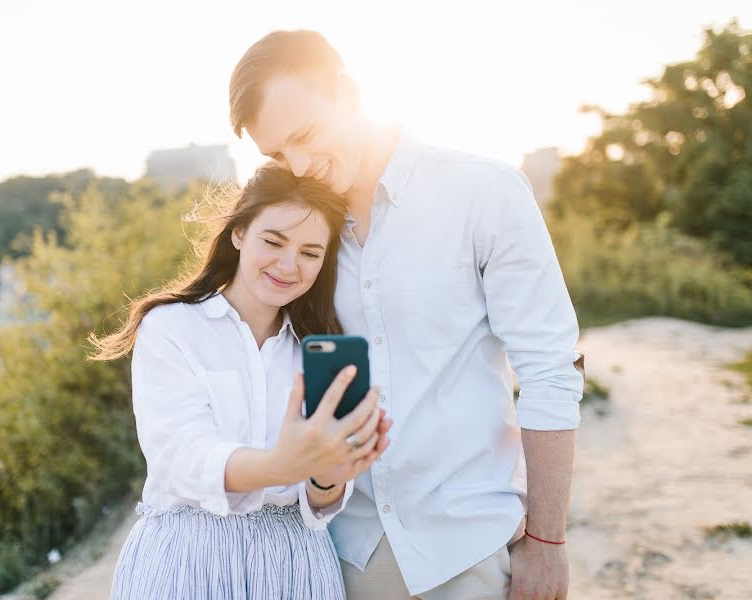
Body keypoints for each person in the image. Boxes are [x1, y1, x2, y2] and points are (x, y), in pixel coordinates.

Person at [229, 30, 586, 600]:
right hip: (347, 552)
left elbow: (550, 370)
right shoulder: (299, 233)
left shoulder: (484, 192)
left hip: (470, 551)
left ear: (348, 94)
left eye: (304, 135)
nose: (298, 165)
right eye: (277, 155)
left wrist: (547, 542)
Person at [89, 162, 392, 599]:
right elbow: (180, 456)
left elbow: (320, 501)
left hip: (296, 562)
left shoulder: (319, 349)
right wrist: (279, 466)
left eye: (310, 252)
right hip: (187, 560)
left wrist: (329, 475)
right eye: (273, 241)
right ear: (238, 234)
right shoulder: (172, 327)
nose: (289, 265)